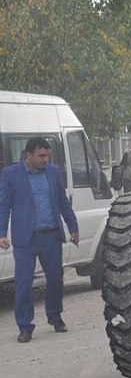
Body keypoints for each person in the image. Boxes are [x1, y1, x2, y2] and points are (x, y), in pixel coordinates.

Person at [0, 137, 79, 343]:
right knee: (23, 283)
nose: (46, 159)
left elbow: (63, 203)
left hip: (51, 236)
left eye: (48, 155)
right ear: (29, 154)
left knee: (55, 279)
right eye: (41, 155)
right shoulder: (11, 175)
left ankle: (55, 316)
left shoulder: (53, 173)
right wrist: (1, 233)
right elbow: (4, 206)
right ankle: (25, 326)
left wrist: (73, 227)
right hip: (25, 240)